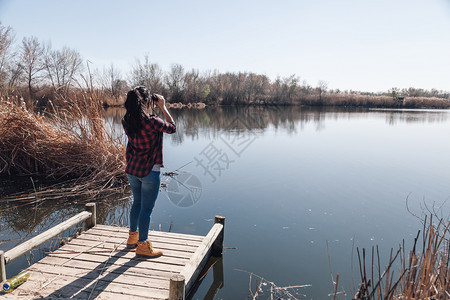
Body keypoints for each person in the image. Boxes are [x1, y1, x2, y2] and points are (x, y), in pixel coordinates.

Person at [122, 86, 176, 258]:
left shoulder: (126, 120)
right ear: (146, 101)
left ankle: (132, 239)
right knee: (146, 209)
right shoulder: (153, 122)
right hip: (149, 172)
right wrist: (163, 106)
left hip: (132, 170)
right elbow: (173, 128)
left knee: (136, 203)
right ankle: (143, 246)